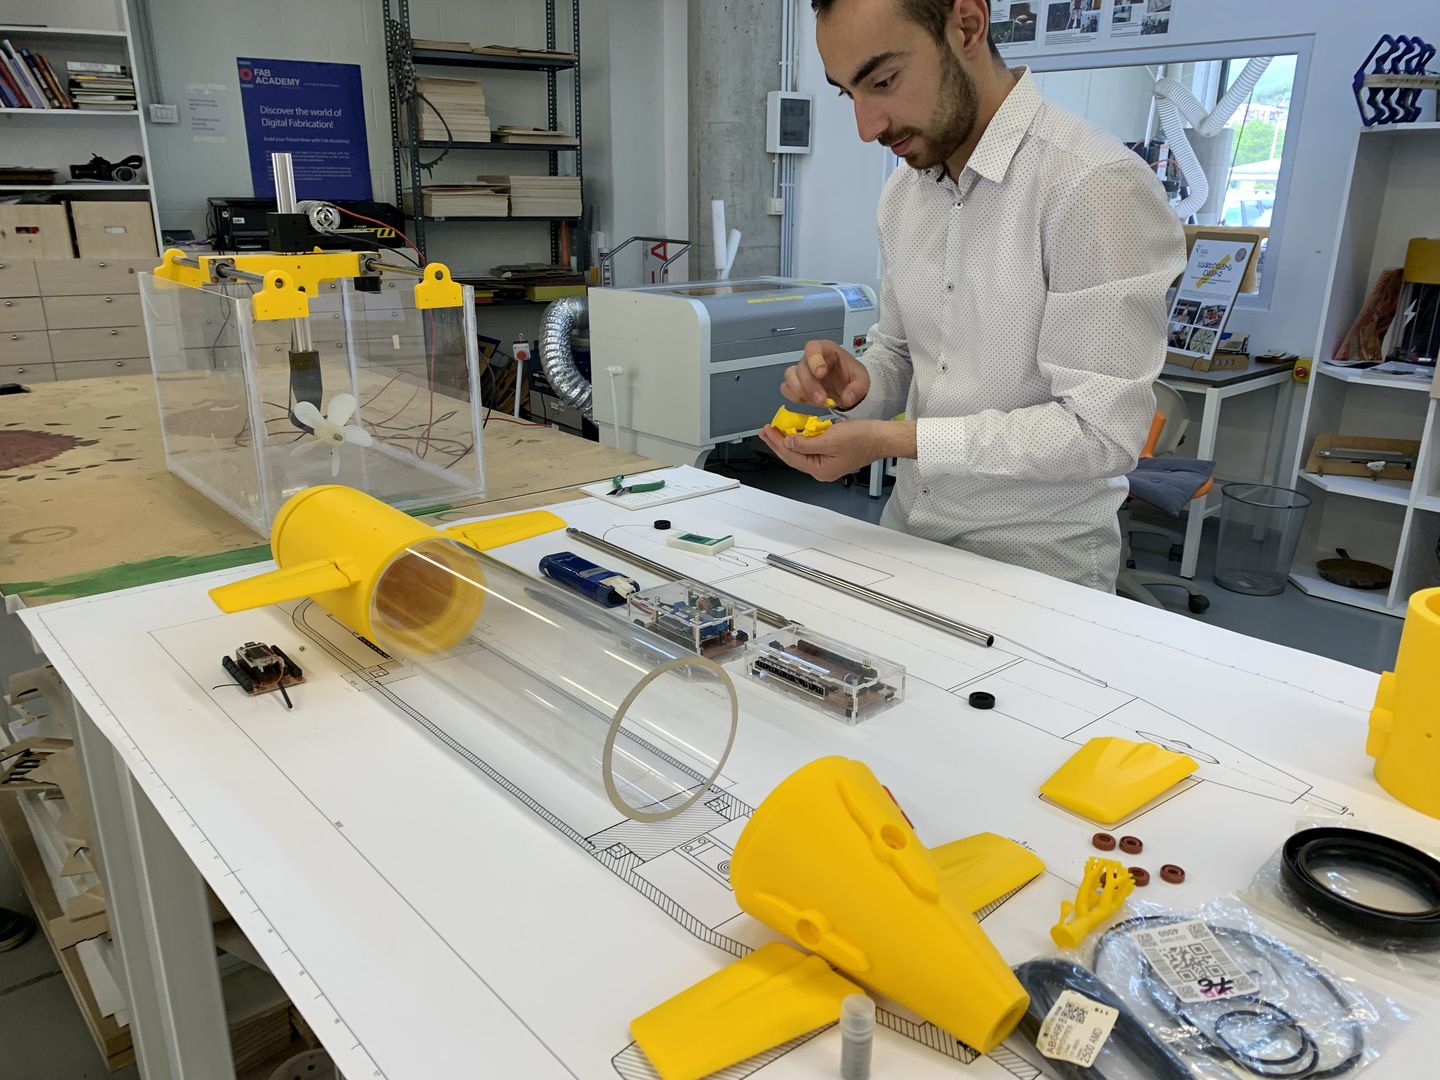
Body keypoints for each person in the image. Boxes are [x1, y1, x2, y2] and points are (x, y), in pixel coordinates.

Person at [759, 0, 1186, 591]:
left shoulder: (1093, 184)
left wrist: (890, 439)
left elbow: (1099, 433)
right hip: (907, 537)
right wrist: (858, 386)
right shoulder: (903, 197)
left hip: (1035, 569)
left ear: (967, 25)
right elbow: (901, 354)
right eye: (847, 93)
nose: (867, 126)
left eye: (883, 81)